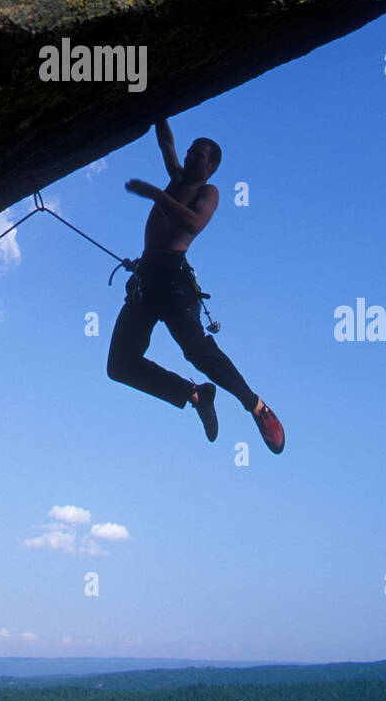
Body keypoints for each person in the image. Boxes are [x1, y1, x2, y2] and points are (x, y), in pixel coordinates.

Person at [106, 120, 285, 452]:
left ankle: (256, 406)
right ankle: (194, 394)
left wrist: (155, 194)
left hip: (174, 283)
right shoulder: (177, 177)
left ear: (211, 165)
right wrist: (160, 107)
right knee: (119, 365)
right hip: (147, 277)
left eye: (197, 156)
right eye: (189, 153)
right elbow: (166, 142)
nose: (189, 159)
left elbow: (192, 221)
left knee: (197, 350)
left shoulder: (208, 193)